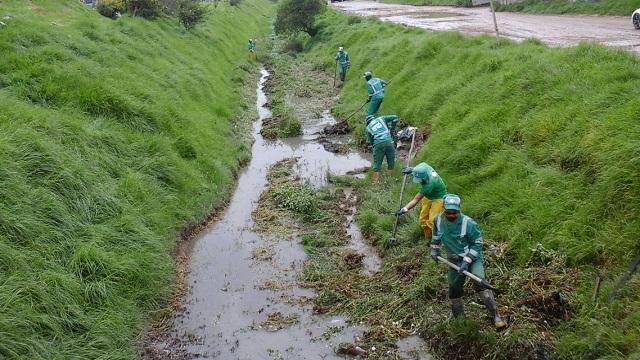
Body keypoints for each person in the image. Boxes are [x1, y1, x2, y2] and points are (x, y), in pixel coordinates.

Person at [428, 194, 507, 330]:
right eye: (448, 212)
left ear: (459, 210)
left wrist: (467, 261)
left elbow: (477, 243)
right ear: (443, 209)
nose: (451, 215)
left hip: (472, 258)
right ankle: (460, 319)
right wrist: (434, 250)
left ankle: (495, 315)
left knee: (479, 281)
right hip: (453, 259)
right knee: (454, 287)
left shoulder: (469, 223)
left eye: (454, 213)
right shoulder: (438, 221)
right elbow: (436, 237)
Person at [395, 163, 447, 241]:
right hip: (428, 196)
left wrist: (404, 209)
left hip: (438, 197)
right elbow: (416, 171)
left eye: (420, 180)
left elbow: (416, 200)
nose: (419, 182)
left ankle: (436, 239)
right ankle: (427, 238)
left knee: (433, 221)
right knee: (422, 219)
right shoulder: (423, 166)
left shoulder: (429, 184)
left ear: (424, 178)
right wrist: (411, 169)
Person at [365, 114, 399, 184]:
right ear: (374, 118)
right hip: (389, 141)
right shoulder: (381, 118)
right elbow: (395, 117)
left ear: (367, 122)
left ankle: (376, 182)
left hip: (378, 143)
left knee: (377, 163)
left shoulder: (368, 127)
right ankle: (389, 179)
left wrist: (375, 147)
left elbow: (371, 141)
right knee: (391, 160)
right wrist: (392, 128)